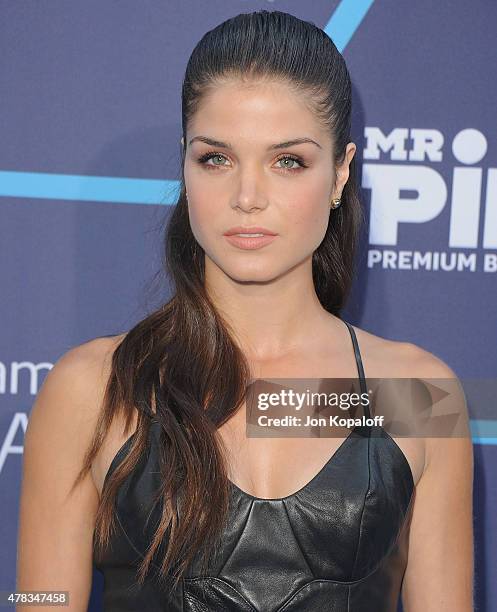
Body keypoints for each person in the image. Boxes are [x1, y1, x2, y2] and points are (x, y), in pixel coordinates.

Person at [17, 10, 474, 611]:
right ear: (184, 164)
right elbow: (40, 600)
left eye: (288, 161)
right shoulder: (92, 389)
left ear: (340, 173)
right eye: (216, 158)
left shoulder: (414, 393)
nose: (247, 197)